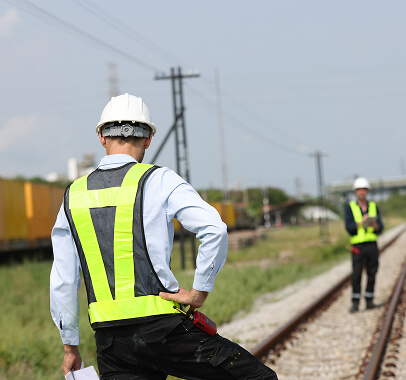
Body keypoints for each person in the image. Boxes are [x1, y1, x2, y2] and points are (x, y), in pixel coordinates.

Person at [50, 93, 277, 380]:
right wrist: (199, 291)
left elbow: (63, 280)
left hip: (111, 345)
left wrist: (70, 346)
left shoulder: (73, 195)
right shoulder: (158, 179)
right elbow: (214, 229)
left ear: (101, 137)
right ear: (148, 139)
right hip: (165, 334)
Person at [344, 177, 384, 313]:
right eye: (359, 190)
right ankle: (355, 302)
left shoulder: (373, 206)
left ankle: (369, 300)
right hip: (358, 247)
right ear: (356, 192)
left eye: (364, 190)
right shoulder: (350, 207)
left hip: (372, 245)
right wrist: (361, 222)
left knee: (372, 272)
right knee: (357, 274)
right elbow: (349, 228)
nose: (362, 192)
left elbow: (381, 228)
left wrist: (376, 225)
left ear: (367, 191)